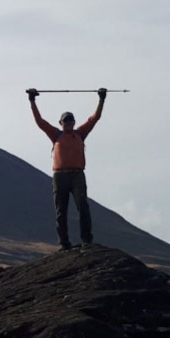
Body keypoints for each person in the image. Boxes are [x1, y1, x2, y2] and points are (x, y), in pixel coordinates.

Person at [26, 87, 107, 251]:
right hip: (60, 176)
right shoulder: (55, 134)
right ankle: (64, 243)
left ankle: (86, 240)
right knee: (60, 211)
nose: (69, 122)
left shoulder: (80, 133)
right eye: (66, 120)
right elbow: (40, 122)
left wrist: (101, 99)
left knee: (82, 206)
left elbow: (94, 118)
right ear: (60, 123)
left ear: (74, 122)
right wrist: (32, 101)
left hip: (77, 175)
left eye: (71, 120)